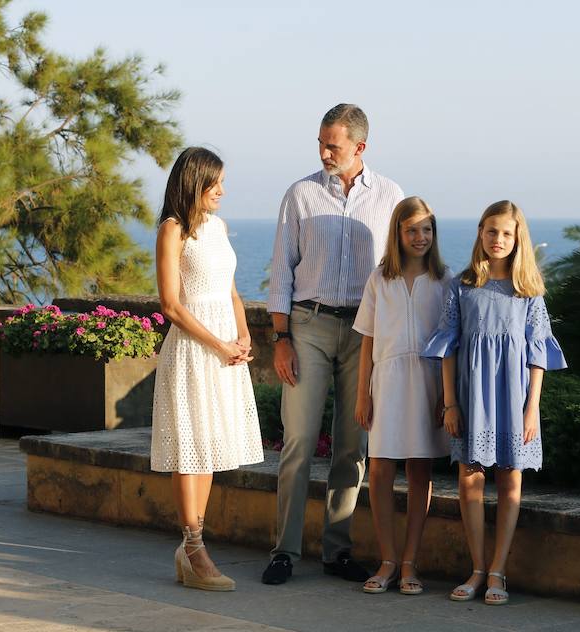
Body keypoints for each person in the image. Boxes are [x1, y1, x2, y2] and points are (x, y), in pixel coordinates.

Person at [263, 104, 404, 585]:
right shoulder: (300, 194)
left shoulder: (390, 196)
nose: (324, 152)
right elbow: (281, 271)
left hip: (365, 335)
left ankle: (337, 551)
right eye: (321, 142)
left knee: (352, 445)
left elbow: (399, 269)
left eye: (334, 145)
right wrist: (280, 339)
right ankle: (284, 549)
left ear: (360, 148)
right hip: (309, 326)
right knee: (299, 441)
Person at [422, 200, 567, 605]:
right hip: (472, 397)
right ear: (480, 235)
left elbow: (538, 354)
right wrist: (451, 403)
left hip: (514, 397)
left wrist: (532, 407)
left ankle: (499, 572)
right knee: (469, 477)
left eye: (506, 233)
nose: (497, 240)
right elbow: (447, 346)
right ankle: (477, 569)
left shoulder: (529, 292)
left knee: (510, 479)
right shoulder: (463, 285)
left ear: (518, 237)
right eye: (490, 231)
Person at [150, 147, 264, 591]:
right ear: (194, 182)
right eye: (214, 182)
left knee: (212, 447)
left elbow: (231, 293)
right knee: (191, 447)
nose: (222, 190)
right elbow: (171, 306)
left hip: (225, 351)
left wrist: (244, 337)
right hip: (193, 350)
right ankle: (193, 546)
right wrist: (218, 343)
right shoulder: (172, 230)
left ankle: (192, 548)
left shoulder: (217, 228)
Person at [353, 196, 451, 595]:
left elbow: (450, 344)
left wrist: (445, 395)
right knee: (378, 469)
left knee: (419, 470)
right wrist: (363, 393)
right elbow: (367, 342)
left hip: (427, 381)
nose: (420, 236)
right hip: (388, 381)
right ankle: (387, 559)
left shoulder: (445, 281)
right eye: (411, 229)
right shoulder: (380, 279)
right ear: (398, 233)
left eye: (426, 229)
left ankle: (410, 562)